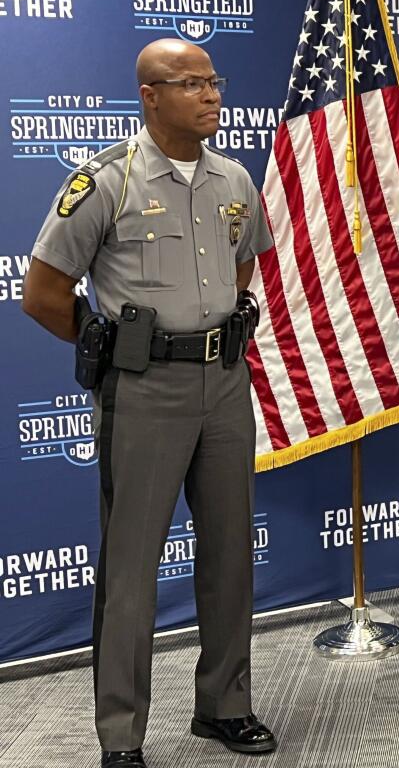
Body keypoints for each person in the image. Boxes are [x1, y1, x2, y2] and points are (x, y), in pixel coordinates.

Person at [22, 39, 276, 768]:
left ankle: (224, 706)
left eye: (213, 81)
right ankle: (122, 737)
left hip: (225, 383)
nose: (210, 95)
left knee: (230, 553)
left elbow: (243, 261)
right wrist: (118, 351)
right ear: (150, 95)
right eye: (190, 83)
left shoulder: (234, 177)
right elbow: (42, 293)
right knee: (131, 569)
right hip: (145, 393)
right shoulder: (106, 182)